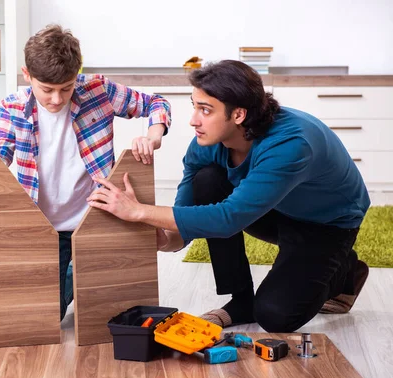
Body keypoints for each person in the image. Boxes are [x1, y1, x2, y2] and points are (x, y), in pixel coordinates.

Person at [86, 60, 370, 332]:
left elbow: (228, 219)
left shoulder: (290, 145)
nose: (193, 121)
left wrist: (139, 211)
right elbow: (190, 208)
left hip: (326, 223)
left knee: (275, 316)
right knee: (207, 180)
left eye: (206, 110)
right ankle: (241, 300)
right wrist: (169, 240)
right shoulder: (206, 145)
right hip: (276, 209)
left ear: (238, 115)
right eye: (194, 106)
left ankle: (344, 269)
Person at [0, 25, 171, 321]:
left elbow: (157, 103)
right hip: (43, 227)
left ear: (77, 75)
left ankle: (80, 274)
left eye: (66, 88)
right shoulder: (12, 107)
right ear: (27, 74)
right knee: (47, 314)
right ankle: (71, 274)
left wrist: (154, 134)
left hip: (95, 220)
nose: (57, 99)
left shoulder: (98, 90)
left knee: (106, 309)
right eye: (47, 90)